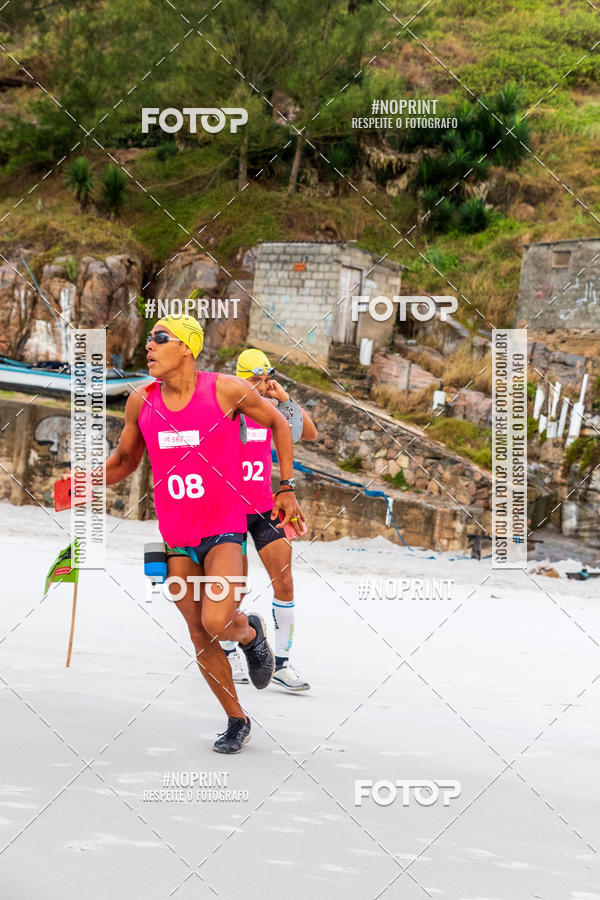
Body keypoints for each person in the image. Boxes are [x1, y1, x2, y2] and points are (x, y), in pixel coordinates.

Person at [60, 315, 305, 754]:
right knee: (198, 632)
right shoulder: (141, 400)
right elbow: (125, 461)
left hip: (225, 530)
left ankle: (249, 633)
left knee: (217, 621)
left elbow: (281, 425)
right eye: (148, 340)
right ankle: (237, 718)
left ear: (187, 348)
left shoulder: (225, 390)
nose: (148, 347)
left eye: (159, 339)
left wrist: (285, 487)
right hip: (176, 537)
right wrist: (85, 481)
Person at [221, 349, 317, 692]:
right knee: (235, 585)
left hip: (264, 508)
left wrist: (285, 398)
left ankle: (283, 663)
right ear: (239, 378)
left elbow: (310, 433)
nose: (260, 386)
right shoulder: (228, 406)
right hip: (229, 507)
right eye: (253, 379)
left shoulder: (271, 409)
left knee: (285, 582)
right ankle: (230, 651)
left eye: (264, 379)